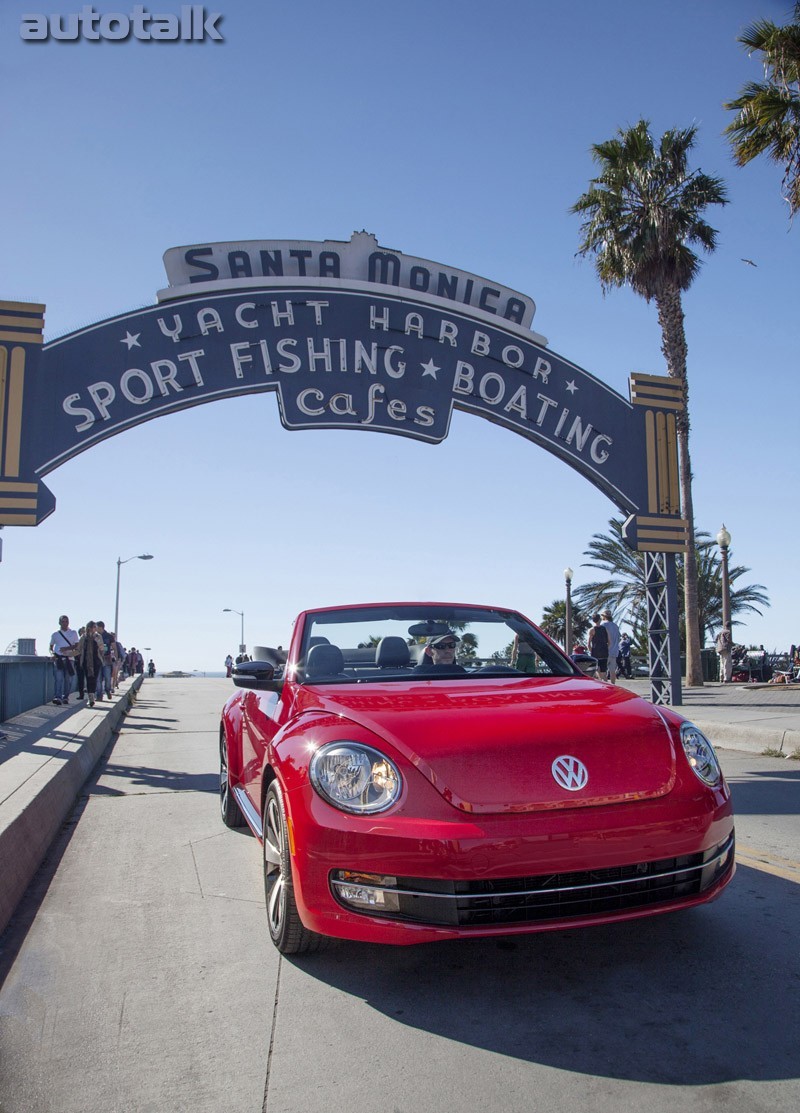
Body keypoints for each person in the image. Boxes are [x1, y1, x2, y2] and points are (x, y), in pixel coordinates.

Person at [50, 614, 79, 705]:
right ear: (59, 623)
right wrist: (53, 654)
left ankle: (65, 697)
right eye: (63, 621)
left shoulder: (73, 633)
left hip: (69, 659)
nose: (65, 623)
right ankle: (58, 697)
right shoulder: (55, 635)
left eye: (66, 621)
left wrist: (66, 648)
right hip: (58, 658)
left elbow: (77, 645)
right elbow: (51, 647)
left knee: (68, 680)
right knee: (58, 679)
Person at [75, 621, 105, 707]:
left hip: (96, 661)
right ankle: (90, 698)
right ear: (88, 628)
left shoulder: (98, 636)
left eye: (95, 627)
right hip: (86, 661)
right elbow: (79, 649)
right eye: (92, 627)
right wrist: (68, 654)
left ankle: (92, 696)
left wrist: (98, 642)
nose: (94, 629)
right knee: (88, 679)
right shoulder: (83, 637)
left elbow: (102, 648)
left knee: (94, 679)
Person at [95, 621, 115, 701]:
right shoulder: (95, 636)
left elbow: (114, 647)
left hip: (107, 659)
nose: (95, 629)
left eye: (96, 627)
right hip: (97, 659)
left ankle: (107, 690)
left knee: (107, 677)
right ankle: (99, 695)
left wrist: (116, 657)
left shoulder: (109, 636)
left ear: (101, 627)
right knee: (98, 678)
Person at [587, 615, 609, 680]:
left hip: (595, 653)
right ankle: (604, 682)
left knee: (596, 669)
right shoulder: (605, 629)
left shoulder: (592, 630)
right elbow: (609, 641)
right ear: (600, 620)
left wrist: (591, 651)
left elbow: (588, 643)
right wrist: (606, 648)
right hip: (604, 652)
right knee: (603, 671)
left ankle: (600, 680)